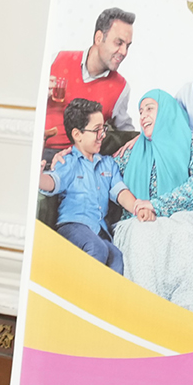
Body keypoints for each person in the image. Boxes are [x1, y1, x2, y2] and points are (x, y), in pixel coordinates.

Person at [110, 89, 193, 318]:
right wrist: (71, 154)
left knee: (182, 238)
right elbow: (101, 173)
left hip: (186, 218)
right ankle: (146, 319)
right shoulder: (132, 151)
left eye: (150, 109)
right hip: (140, 220)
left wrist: (157, 206)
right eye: (140, 111)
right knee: (141, 234)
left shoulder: (191, 143)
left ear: (167, 112)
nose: (143, 115)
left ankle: (189, 322)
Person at [39, 98, 142, 273]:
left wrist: (138, 208)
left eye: (103, 129)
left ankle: (102, 291)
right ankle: (79, 288)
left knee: (116, 256)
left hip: (99, 230)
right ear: (77, 135)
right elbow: (53, 181)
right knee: (97, 248)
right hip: (73, 226)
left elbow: (120, 191)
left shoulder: (108, 164)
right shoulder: (68, 161)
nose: (102, 135)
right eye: (96, 130)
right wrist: (39, 177)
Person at [42, 8, 137, 163]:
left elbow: (125, 133)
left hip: (77, 161)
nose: (124, 52)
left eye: (128, 46)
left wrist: (140, 140)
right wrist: (39, 95)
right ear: (99, 38)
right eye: (119, 43)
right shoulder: (56, 60)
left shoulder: (121, 88)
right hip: (40, 149)